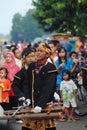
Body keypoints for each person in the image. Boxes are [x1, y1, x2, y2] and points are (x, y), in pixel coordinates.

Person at [12, 42, 57, 130]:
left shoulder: (51, 68)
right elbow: (27, 84)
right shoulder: (32, 66)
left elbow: (48, 88)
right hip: (32, 104)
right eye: (37, 51)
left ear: (47, 54)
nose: (38, 53)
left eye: (41, 51)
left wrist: (40, 105)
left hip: (44, 104)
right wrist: (27, 97)